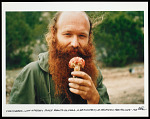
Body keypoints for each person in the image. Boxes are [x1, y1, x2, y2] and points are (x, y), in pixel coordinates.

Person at [9, 11, 110, 104]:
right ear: (54, 34)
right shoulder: (31, 74)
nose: (75, 43)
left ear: (89, 37)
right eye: (67, 34)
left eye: (82, 36)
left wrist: (94, 99)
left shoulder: (94, 73)